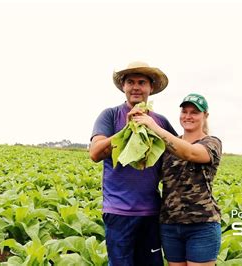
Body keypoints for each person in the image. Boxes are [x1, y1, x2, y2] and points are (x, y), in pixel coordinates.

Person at [89, 61, 177, 266]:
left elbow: (178, 152)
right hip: (118, 211)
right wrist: (126, 129)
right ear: (123, 86)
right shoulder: (110, 115)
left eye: (142, 82)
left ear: (151, 88)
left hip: (151, 212)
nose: (136, 87)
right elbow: (95, 153)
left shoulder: (160, 122)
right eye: (130, 82)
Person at [130, 93, 222, 266]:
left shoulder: (212, 143)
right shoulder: (166, 145)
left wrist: (154, 126)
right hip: (170, 224)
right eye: (184, 111)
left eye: (194, 112)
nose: (188, 116)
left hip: (201, 224)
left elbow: (190, 153)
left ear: (205, 116)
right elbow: (146, 170)